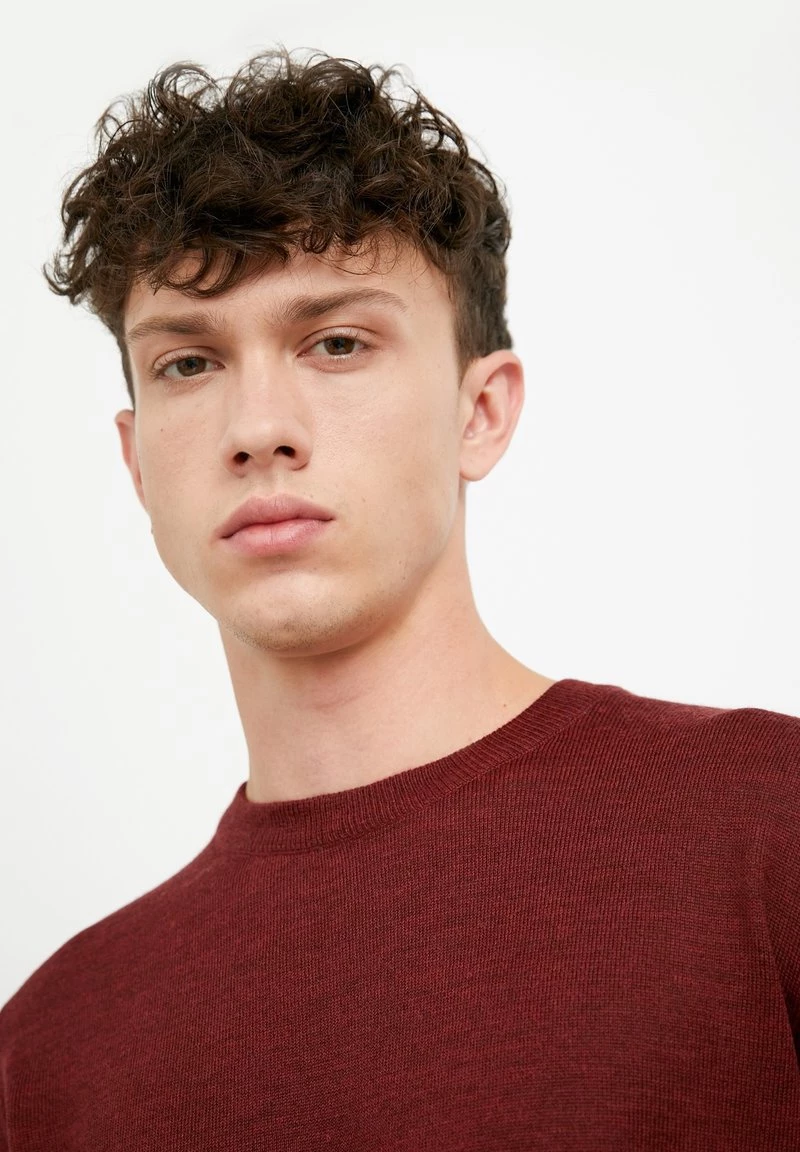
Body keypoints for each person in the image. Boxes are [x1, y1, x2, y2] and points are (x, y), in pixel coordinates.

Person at [0, 48, 797, 1152]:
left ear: (481, 412)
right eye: (188, 363)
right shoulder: (47, 1056)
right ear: (137, 462)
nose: (258, 428)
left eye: (336, 342)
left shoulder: (766, 829)